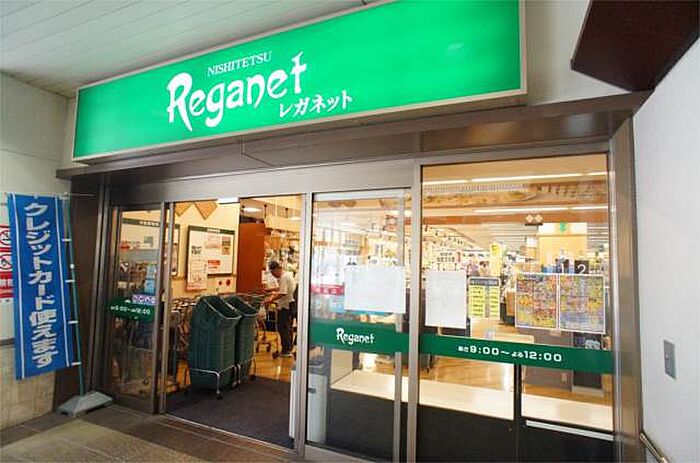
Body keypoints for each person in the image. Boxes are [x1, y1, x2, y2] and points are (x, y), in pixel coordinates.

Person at [265, 260, 296, 357]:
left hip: (285, 306)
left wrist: (270, 300)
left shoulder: (284, 277)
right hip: (290, 304)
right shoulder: (288, 275)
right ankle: (288, 349)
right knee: (288, 327)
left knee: (283, 328)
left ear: (277, 269)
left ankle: (286, 350)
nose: (273, 275)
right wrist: (271, 290)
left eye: (273, 273)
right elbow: (282, 289)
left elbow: (283, 293)